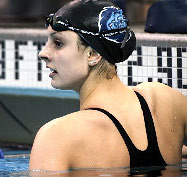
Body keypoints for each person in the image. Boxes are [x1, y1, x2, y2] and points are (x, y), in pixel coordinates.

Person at [29, 0, 187, 172]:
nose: (43, 53)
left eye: (58, 43)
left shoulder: (57, 137)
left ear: (94, 54)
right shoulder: (166, 100)